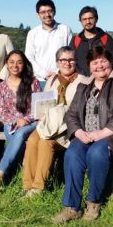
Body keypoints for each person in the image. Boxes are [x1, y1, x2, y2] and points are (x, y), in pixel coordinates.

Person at [53, 46, 113, 223]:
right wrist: (78, 132)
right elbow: (71, 114)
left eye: (103, 60)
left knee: (96, 153)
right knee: (72, 153)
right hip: (87, 136)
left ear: (111, 62)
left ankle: (94, 202)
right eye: (95, 62)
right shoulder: (84, 85)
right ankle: (71, 207)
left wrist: (102, 133)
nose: (99, 65)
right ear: (89, 66)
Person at [21, 46, 84, 197]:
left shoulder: (83, 81)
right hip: (49, 124)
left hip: (67, 128)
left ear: (76, 62)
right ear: (57, 62)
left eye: (71, 60)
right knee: (31, 140)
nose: (67, 63)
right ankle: (27, 184)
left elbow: (80, 110)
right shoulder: (52, 80)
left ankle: (38, 188)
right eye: (63, 60)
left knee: (45, 142)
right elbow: (44, 101)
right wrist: (41, 114)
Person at [0, 50, 41, 192]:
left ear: (24, 64)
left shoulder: (33, 83)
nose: (15, 65)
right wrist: (16, 121)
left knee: (20, 134)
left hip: (32, 123)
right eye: (11, 62)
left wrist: (25, 119)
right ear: (7, 64)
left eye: (19, 62)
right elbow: (4, 112)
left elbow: (38, 107)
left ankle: (0, 174)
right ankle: (11, 175)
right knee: (17, 136)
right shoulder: (1, 87)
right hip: (11, 125)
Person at [25, 0, 73, 81]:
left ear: (55, 11)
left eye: (50, 11)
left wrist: (57, 72)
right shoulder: (32, 33)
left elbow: (71, 54)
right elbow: (29, 57)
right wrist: (44, 74)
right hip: (39, 80)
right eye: (43, 12)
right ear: (38, 14)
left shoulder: (65, 30)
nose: (47, 15)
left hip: (62, 78)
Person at [69, 6, 113, 76]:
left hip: (102, 80)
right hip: (80, 80)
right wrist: (81, 75)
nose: (88, 22)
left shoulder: (106, 38)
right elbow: (71, 60)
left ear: (96, 19)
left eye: (90, 18)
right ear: (80, 21)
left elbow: (111, 61)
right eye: (84, 19)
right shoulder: (75, 40)